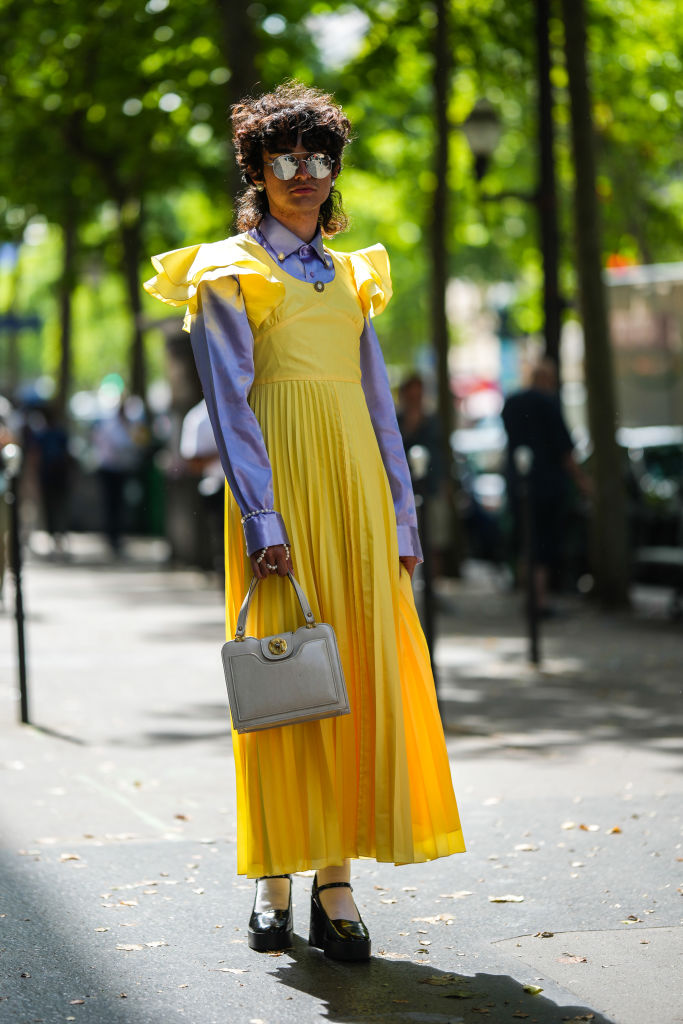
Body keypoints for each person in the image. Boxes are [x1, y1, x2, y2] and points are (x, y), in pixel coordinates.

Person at [144, 82, 464, 961]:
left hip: (356, 492)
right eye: (284, 158)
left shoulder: (354, 273)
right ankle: (273, 874)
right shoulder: (227, 268)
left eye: (318, 158)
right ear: (255, 167)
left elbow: (379, 410)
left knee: (351, 676)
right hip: (278, 494)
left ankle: (334, 878)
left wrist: (401, 519)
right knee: (284, 683)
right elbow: (230, 404)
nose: (303, 175)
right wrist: (258, 517)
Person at [501, 357, 589, 613]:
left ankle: (527, 597)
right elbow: (565, 451)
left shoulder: (512, 403)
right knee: (543, 544)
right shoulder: (548, 403)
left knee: (525, 540)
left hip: (518, 484)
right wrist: (583, 482)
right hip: (547, 486)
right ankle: (538, 602)